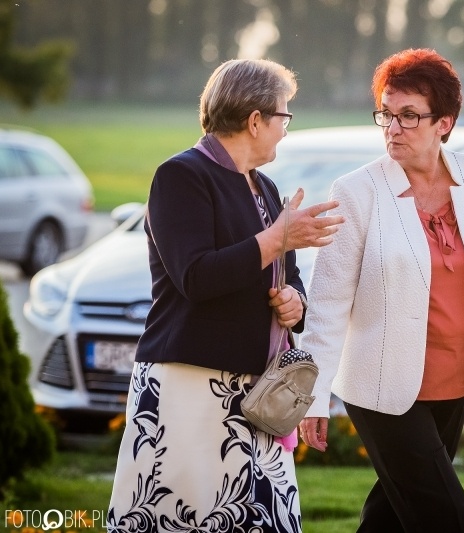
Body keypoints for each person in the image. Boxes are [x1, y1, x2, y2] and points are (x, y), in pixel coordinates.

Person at [298, 48, 464, 533]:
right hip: (382, 386)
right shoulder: (357, 191)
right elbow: (327, 303)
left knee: (391, 515)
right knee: (443, 517)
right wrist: (314, 395)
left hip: (455, 381)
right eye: (386, 114)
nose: (393, 128)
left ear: (444, 123)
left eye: (409, 116)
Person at [107, 58, 343, 532]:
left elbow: (286, 278)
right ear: (255, 120)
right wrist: (279, 238)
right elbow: (196, 276)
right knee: (181, 518)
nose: (284, 129)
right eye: (283, 116)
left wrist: (294, 304)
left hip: (255, 395)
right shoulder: (181, 176)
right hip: (189, 386)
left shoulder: (265, 186)